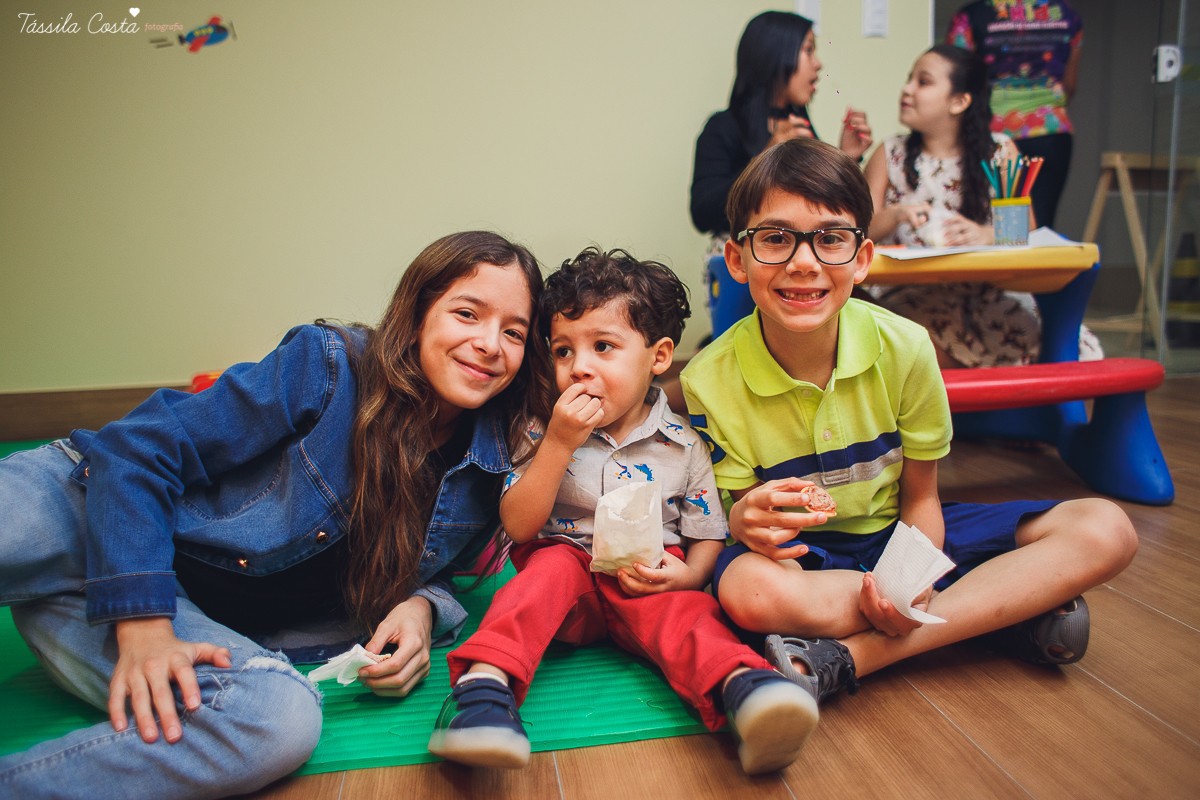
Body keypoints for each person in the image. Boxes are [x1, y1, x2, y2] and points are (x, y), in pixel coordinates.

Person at [0, 231, 553, 800]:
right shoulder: (329, 366)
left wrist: (419, 608)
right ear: (415, 315)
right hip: (81, 507)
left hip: (173, 618)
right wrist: (143, 626)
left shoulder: (496, 464)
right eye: (467, 313)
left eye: (513, 332)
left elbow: (448, 568)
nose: (490, 343)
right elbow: (137, 449)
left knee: (279, 721)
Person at [679, 138, 1137, 710]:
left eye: (830, 239)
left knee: (1106, 528)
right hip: (808, 561)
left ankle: (850, 658)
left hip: (905, 534)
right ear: (738, 260)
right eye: (775, 238)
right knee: (748, 591)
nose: (803, 261)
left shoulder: (907, 348)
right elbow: (746, 519)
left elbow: (922, 499)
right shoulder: (707, 378)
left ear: (863, 258)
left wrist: (909, 575)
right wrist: (746, 520)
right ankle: (996, 613)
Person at [427, 247, 819, 776]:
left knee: (689, 617)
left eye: (603, 346)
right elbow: (519, 525)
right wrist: (561, 444)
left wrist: (688, 575)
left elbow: (707, 533)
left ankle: (746, 690)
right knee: (544, 576)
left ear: (658, 357)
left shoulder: (683, 445)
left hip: (647, 578)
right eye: (562, 351)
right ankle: (481, 690)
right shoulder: (542, 430)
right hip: (567, 580)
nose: (578, 368)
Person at [690, 10, 872, 336]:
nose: (818, 64)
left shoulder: (802, 127)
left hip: (799, 263)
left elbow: (814, 212)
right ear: (776, 55)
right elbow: (702, 211)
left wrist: (847, 158)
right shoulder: (724, 126)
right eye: (808, 50)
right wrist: (766, 155)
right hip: (751, 268)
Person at [864, 44, 1044, 369]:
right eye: (909, 79)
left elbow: (1027, 227)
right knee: (910, 338)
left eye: (924, 81)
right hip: (912, 295)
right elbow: (858, 231)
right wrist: (896, 215)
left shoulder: (1001, 152)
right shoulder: (890, 153)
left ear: (959, 101)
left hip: (986, 293)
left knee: (1040, 333)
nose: (907, 89)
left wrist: (986, 234)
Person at [947, 0, 1083, 230]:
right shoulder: (1067, 14)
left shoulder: (970, 16)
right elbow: (1069, 85)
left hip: (990, 133)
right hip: (1050, 130)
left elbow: (954, 76)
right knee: (1039, 226)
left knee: (983, 224)